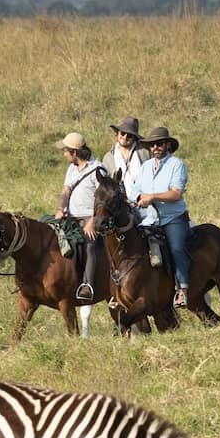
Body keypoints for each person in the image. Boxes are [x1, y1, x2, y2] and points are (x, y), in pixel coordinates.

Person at [129, 126, 190, 309]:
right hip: (148, 218)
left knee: (176, 249)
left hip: (172, 218)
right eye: (152, 144)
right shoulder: (145, 166)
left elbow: (176, 193)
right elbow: (134, 190)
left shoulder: (177, 165)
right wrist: (139, 198)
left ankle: (182, 289)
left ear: (168, 145)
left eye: (160, 144)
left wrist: (153, 197)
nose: (155, 147)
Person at [54, 132, 103, 302]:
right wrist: (61, 208)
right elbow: (66, 191)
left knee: (90, 246)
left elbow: (103, 200)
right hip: (71, 218)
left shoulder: (98, 169)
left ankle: (87, 285)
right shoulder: (71, 168)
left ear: (74, 152)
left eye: (65, 150)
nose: (64, 154)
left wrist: (92, 221)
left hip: (91, 219)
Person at [102, 116, 150, 200]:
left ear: (134, 138)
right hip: (118, 202)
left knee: (152, 213)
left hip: (142, 199)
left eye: (129, 135)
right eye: (123, 133)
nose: (125, 137)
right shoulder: (108, 157)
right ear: (117, 134)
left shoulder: (145, 152)